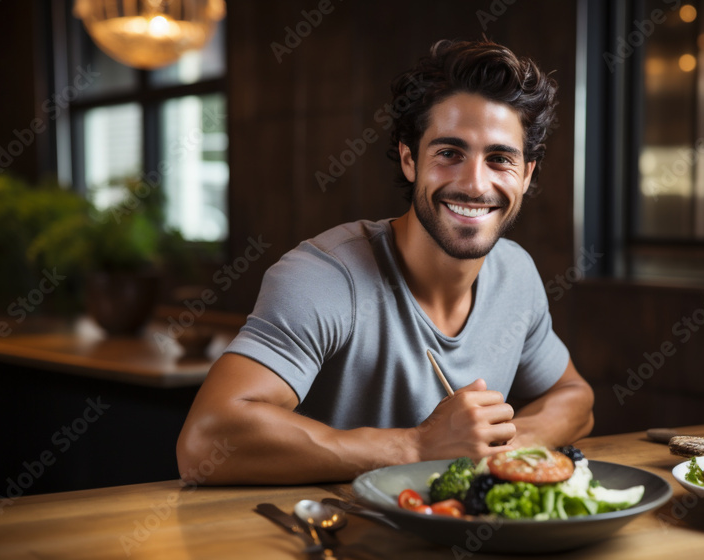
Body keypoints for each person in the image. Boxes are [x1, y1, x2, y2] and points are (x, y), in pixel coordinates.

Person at [176, 38, 594, 485]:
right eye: (450, 154)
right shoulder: (323, 276)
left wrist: (502, 448)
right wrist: (418, 446)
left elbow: (575, 398)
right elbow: (205, 440)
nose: (475, 184)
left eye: (500, 159)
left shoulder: (515, 273)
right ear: (410, 158)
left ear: (526, 175)